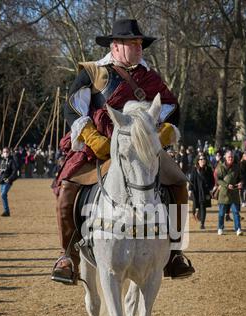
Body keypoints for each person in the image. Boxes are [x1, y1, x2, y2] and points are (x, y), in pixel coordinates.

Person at [51, 18, 195, 284]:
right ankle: (68, 255)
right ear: (115, 46)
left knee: (178, 184)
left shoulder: (151, 77)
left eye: (140, 43)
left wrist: (160, 134)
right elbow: (73, 109)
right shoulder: (93, 72)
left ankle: (175, 252)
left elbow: (171, 108)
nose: (139, 48)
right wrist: (92, 137)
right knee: (67, 189)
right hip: (100, 149)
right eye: (133, 43)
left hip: (143, 150)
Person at [216, 150, 243, 236]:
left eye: (231, 157)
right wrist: (227, 185)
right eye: (229, 157)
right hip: (223, 193)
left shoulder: (237, 167)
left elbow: (240, 177)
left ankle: (238, 229)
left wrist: (240, 183)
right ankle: (220, 228)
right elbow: (218, 180)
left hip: (234, 193)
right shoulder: (220, 167)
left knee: (236, 212)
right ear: (225, 158)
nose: (230, 158)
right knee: (221, 213)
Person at [189, 153, 214, 229]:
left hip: (205, 191)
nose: (203, 160)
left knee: (203, 206)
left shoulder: (208, 169)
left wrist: (211, 188)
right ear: (198, 161)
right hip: (196, 190)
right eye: (201, 159)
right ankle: (194, 213)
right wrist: (190, 189)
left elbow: (212, 180)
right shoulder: (194, 169)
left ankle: (202, 224)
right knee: (195, 206)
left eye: (204, 159)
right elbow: (191, 180)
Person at [0, 147, 18, 216]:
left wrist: (9, 179)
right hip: (1, 180)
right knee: (3, 196)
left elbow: (14, 171)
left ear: (9, 153)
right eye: (4, 152)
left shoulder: (12, 161)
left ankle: (6, 211)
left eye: (6, 152)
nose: (5, 153)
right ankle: (6, 211)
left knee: (3, 194)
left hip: (8, 181)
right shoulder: (1, 160)